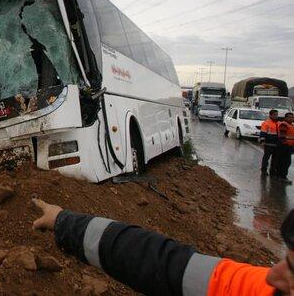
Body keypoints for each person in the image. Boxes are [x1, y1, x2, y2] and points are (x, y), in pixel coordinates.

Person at [32, 198, 294, 296]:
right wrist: (64, 223)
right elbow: (163, 264)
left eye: (292, 270)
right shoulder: (260, 289)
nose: (272, 274)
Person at [260, 109, 280, 176]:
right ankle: (264, 170)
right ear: (270, 115)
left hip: (276, 144)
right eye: (274, 115)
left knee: (275, 160)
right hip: (268, 144)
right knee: (266, 158)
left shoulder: (279, 123)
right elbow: (263, 133)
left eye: (277, 115)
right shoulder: (266, 123)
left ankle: (272, 171)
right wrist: (262, 141)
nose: (276, 116)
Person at [277, 112, 294, 183]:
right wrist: (286, 145)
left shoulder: (291, 125)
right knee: (285, 162)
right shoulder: (284, 124)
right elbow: (282, 136)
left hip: (289, 146)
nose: (291, 119)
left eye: (292, 117)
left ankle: (281, 176)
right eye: (289, 117)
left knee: (286, 162)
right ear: (286, 118)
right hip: (284, 147)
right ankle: (282, 177)